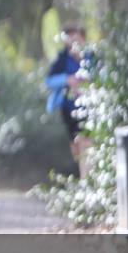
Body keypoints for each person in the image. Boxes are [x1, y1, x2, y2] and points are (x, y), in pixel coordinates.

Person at [46, 24, 92, 178]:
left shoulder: (92, 58)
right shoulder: (62, 59)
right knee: (77, 147)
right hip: (68, 109)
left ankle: (87, 180)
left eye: (77, 39)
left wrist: (87, 83)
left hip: (89, 108)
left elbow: (104, 77)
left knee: (85, 142)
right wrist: (68, 80)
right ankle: (85, 175)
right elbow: (49, 81)